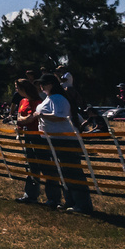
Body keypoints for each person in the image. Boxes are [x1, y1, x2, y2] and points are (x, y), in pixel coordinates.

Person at [34, 73, 93, 214]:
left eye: (44, 83)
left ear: (52, 84)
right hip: (54, 139)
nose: (41, 86)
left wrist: (40, 115)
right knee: (63, 172)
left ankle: (82, 204)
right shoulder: (49, 98)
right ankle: (71, 201)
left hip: (65, 139)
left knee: (72, 172)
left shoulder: (58, 98)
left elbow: (60, 117)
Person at [13, 78, 45, 204]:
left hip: (37, 136)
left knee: (42, 165)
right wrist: (22, 119)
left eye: (17, 87)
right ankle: (30, 194)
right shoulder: (23, 101)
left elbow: (31, 118)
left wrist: (22, 119)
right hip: (26, 136)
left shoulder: (37, 102)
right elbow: (19, 116)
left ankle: (54, 197)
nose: (16, 90)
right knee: (31, 166)